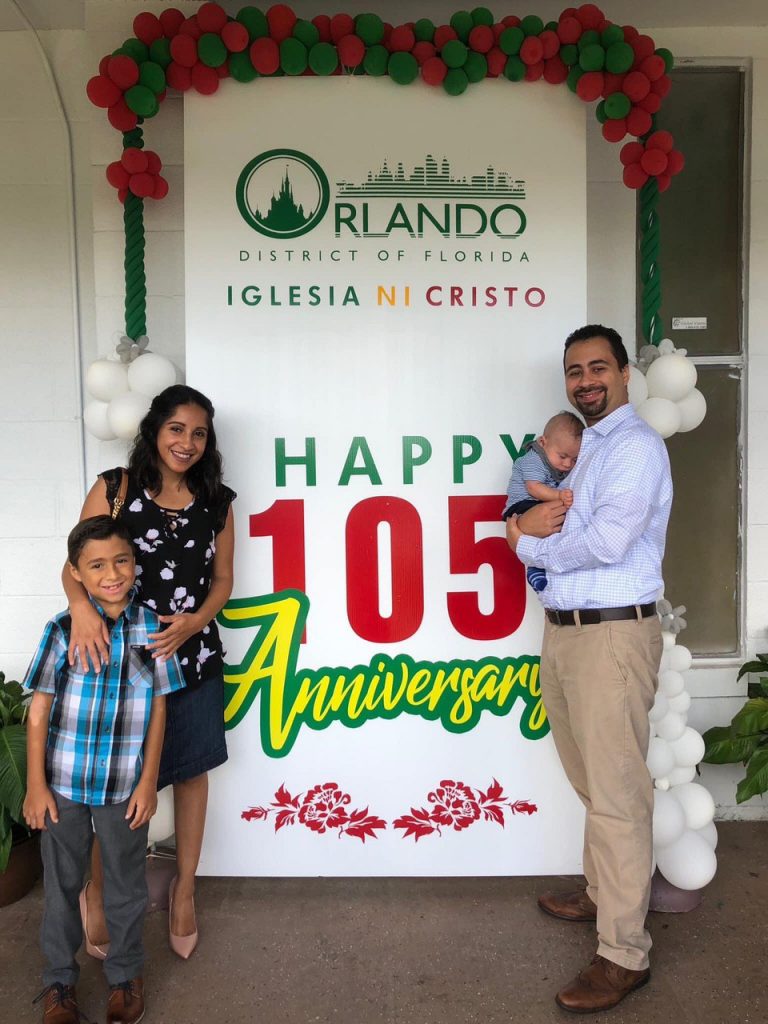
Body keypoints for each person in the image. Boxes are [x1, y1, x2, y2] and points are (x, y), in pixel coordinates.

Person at [506, 325, 672, 1014]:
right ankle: (605, 894)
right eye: (574, 370)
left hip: (613, 638)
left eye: (598, 366)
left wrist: (533, 540)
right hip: (566, 635)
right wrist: (527, 535)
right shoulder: (574, 448)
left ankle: (623, 952)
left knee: (617, 795)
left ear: (626, 373)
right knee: (590, 780)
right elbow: (521, 526)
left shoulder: (635, 447)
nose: (585, 380)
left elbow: (604, 541)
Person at [62, 384, 236, 961]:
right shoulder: (116, 488)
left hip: (194, 656)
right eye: (177, 429)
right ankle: (101, 889)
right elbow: (75, 566)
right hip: (121, 662)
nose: (187, 442)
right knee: (115, 784)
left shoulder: (216, 498)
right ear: (155, 430)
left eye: (199, 433)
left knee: (191, 774)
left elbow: (222, 583)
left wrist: (193, 624)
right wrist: (84, 611)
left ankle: (184, 889)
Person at [24, 516, 186, 1024]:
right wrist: (34, 785)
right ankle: (58, 984)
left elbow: (159, 708)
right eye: (96, 565)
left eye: (121, 560)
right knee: (63, 887)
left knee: (126, 886)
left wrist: (148, 782)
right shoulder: (62, 628)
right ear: (77, 572)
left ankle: (125, 977)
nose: (112, 573)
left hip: (123, 789)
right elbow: (39, 709)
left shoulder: (153, 630)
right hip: (63, 787)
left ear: (135, 565)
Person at [501, 411, 583, 593]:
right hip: (523, 505)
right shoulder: (533, 459)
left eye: (574, 459)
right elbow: (533, 487)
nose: (568, 464)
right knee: (554, 526)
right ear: (542, 442)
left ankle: (539, 569)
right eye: (562, 457)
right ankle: (534, 568)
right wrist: (559, 496)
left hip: (537, 502)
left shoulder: (556, 462)